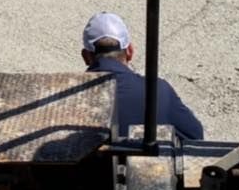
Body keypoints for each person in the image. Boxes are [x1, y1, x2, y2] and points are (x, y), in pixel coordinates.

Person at [80, 11, 203, 139]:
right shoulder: (158, 90)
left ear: (86, 56)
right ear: (130, 51)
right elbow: (195, 136)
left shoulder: (66, 96)